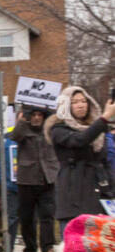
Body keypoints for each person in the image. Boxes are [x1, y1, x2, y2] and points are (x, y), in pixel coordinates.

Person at [45, 85, 115, 236]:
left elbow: (104, 161)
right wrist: (105, 117)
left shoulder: (97, 128)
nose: (81, 105)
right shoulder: (58, 129)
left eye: (84, 101)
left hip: (97, 192)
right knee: (74, 247)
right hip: (73, 193)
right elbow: (80, 140)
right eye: (75, 101)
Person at [8, 106, 57, 252]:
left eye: (40, 115)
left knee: (47, 215)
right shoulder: (23, 129)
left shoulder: (50, 129)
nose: (37, 118)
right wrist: (23, 120)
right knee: (27, 217)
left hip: (47, 178)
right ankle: (30, 249)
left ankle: (47, 248)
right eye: (34, 114)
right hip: (27, 180)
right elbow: (14, 136)